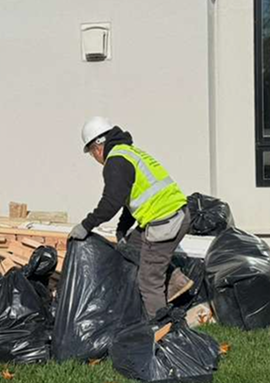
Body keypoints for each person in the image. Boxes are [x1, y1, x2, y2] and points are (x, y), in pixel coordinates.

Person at [68, 116, 194, 321]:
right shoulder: (128, 152)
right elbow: (131, 199)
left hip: (164, 222)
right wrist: (122, 230)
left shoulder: (115, 161)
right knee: (132, 247)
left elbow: (110, 203)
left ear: (97, 147)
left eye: (92, 153)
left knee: (148, 280)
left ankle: (161, 329)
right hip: (173, 215)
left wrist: (85, 225)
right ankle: (175, 280)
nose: (95, 158)